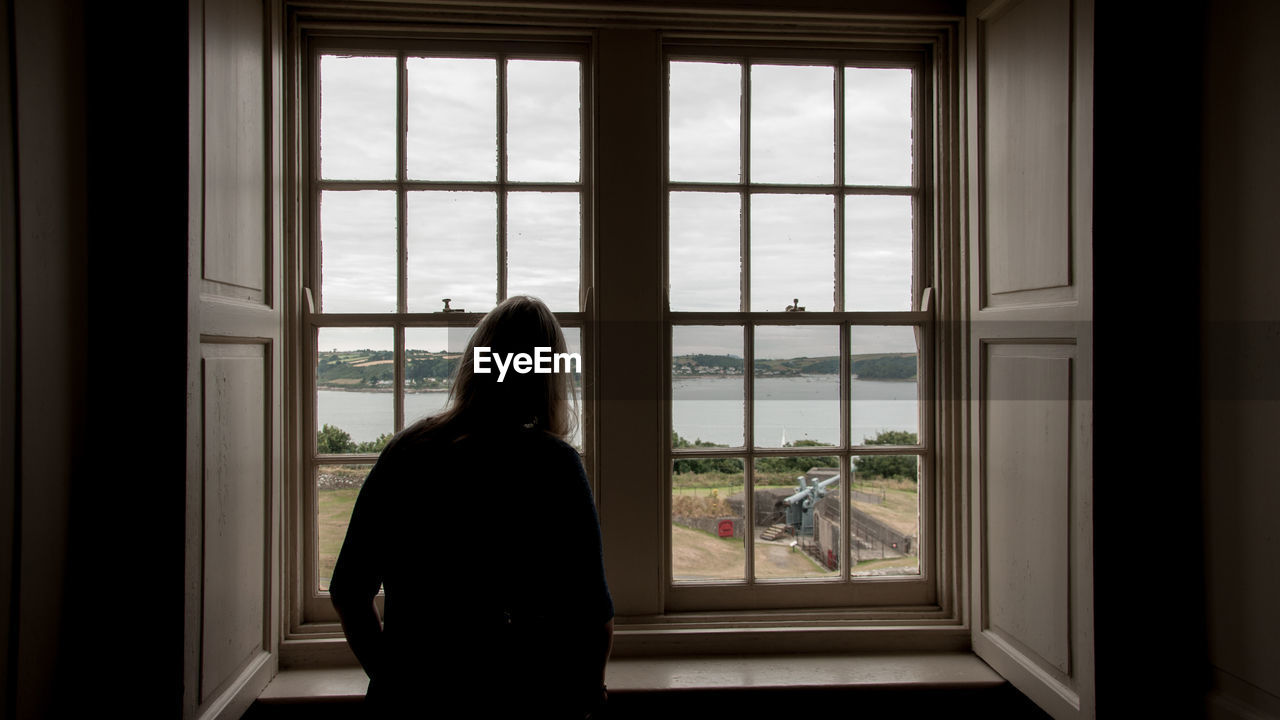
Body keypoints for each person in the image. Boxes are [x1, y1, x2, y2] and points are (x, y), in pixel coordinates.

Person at [330, 296, 613, 717]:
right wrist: (587, 695)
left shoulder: (408, 450)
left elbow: (348, 590)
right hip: (523, 704)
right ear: (550, 375)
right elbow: (592, 615)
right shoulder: (553, 465)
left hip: (413, 705)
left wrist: (393, 680)